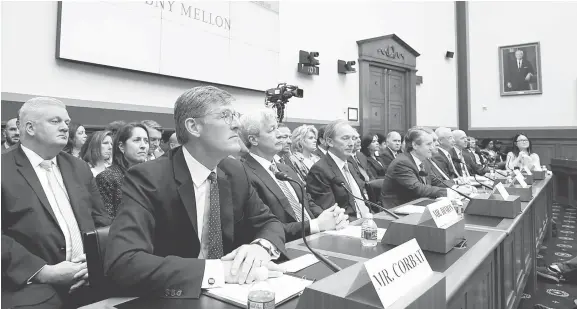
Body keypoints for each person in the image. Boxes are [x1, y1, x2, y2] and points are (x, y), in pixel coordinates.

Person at [104, 86, 286, 299]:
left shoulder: (235, 171)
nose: (237, 124)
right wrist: (219, 271)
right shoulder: (148, 178)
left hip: (230, 295)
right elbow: (124, 262)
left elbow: (270, 222)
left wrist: (260, 248)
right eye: (225, 116)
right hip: (174, 297)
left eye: (235, 115)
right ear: (193, 127)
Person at [2, 97, 110, 309]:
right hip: (30, 284)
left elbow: (101, 220)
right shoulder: (3, 168)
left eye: (67, 123)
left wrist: (95, 261)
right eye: (55, 121)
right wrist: (44, 272)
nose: (64, 128)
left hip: (89, 275)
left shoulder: (79, 167)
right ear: (30, 127)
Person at [239, 109, 348, 241]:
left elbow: (307, 202)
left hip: (316, 237)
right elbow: (267, 228)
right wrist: (316, 225)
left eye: (277, 128)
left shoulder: (284, 168)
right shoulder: (244, 174)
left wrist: (330, 217)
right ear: (253, 140)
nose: (279, 134)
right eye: (271, 130)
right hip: (287, 247)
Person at [306, 120, 370, 219]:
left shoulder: (350, 165)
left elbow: (362, 200)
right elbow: (332, 212)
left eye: (353, 139)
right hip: (347, 226)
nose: (351, 143)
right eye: (345, 139)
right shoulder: (320, 170)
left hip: (366, 220)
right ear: (330, 142)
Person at [380, 128, 448, 208]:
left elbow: (435, 181)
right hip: (398, 210)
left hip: (417, 203)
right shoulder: (402, 163)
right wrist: (447, 192)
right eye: (428, 144)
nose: (432, 147)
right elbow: (418, 188)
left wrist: (457, 188)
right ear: (415, 145)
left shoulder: (424, 161)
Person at [96, 123, 149, 219]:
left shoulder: (150, 176)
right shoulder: (107, 177)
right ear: (121, 146)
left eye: (146, 141)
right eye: (137, 140)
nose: (143, 146)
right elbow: (106, 220)